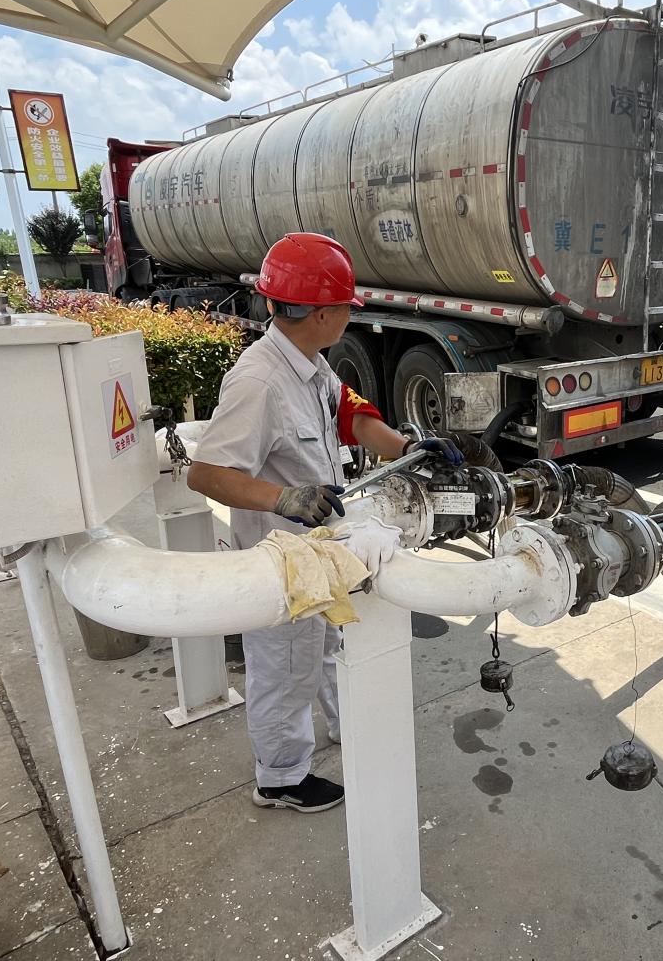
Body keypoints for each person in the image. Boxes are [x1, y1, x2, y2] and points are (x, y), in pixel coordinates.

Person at [187, 233, 464, 814]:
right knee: (285, 668)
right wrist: (283, 497)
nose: (349, 315)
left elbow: (351, 416)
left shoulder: (308, 366)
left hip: (320, 549)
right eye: (345, 307)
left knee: (328, 646)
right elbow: (206, 474)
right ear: (319, 314)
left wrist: (408, 447)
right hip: (282, 562)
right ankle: (280, 778)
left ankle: (346, 727)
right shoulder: (260, 382)